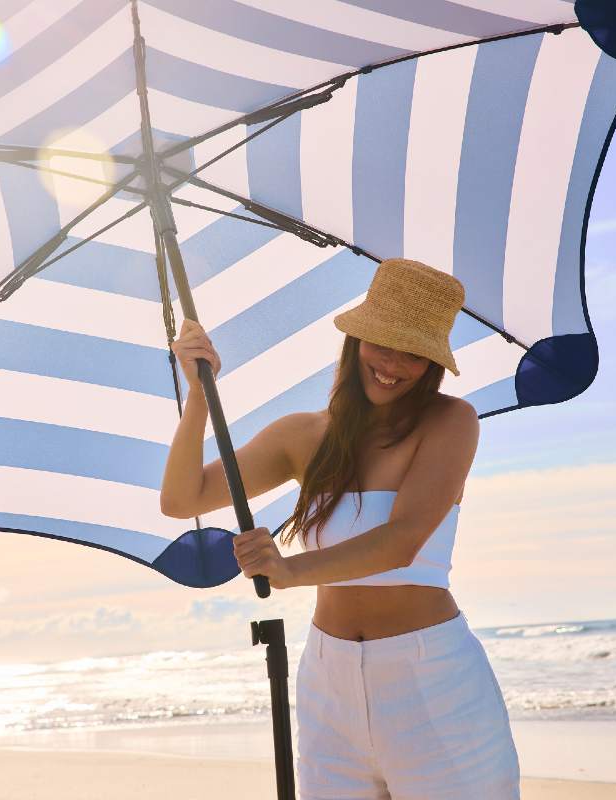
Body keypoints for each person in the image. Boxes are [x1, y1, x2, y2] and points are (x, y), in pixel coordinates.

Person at [160, 258, 521, 799]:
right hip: (328, 684)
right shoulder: (302, 436)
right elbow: (181, 499)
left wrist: (288, 569)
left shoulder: (450, 422)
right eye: (382, 343)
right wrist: (197, 396)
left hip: (432, 680)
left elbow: (402, 542)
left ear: (433, 364)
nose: (394, 364)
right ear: (355, 340)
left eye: (415, 354)